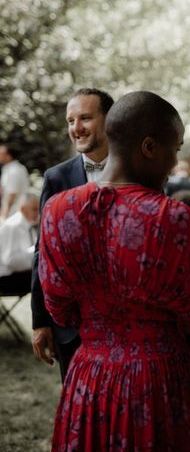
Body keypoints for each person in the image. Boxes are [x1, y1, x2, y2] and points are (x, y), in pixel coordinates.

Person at [38, 90, 190, 450]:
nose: (174, 163)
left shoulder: (58, 211)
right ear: (150, 147)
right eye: (175, 148)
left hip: (89, 376)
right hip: (161, 381)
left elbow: (58, 306)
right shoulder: (172, 218)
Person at [31, 87, 114, 381]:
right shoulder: (56, 178)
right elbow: (44, 251)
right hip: (71, 324)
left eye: (85, 118)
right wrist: (40, 321)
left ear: (110, 119)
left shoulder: (137, 171)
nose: (76, 128)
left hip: (123, 321)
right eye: (70, 121)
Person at [0, 193, 39, 292]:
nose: (38, 213)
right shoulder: (12, 226)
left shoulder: (28, 224)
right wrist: (35, 253)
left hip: (18, 274)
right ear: (23, 209)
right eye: (34, 209)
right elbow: (10, 260)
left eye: (39, 210)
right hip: (6, 277)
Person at [0, 144, 30, 221]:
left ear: (9, 155)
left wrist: (4, 215)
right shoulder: (8, 168)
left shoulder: (14, 170)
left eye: (1, 153)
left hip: (14, 212)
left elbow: (12, 194)